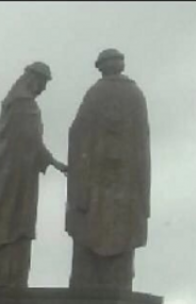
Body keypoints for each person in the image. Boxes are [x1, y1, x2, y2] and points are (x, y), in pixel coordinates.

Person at [66, 48, 151, 291]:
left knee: (90, 231)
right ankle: (118, 284)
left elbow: (77, 132)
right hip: (126, 184)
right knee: (121, 234)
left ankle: (87, 285)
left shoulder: (95, 94)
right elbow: (142, 140)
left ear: (102, 67)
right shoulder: (136, 95)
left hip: (95, 183)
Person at [0, 62, 68, 288]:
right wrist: (55, 163)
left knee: (9, 222)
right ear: (33, 79)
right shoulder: (23, 104)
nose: (44, 89)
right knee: (16, 224)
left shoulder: (14, 102)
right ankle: (9, 279)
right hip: (18, 178)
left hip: (10, 173)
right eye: (43, 83)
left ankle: (2, 278)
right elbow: (32, 141)